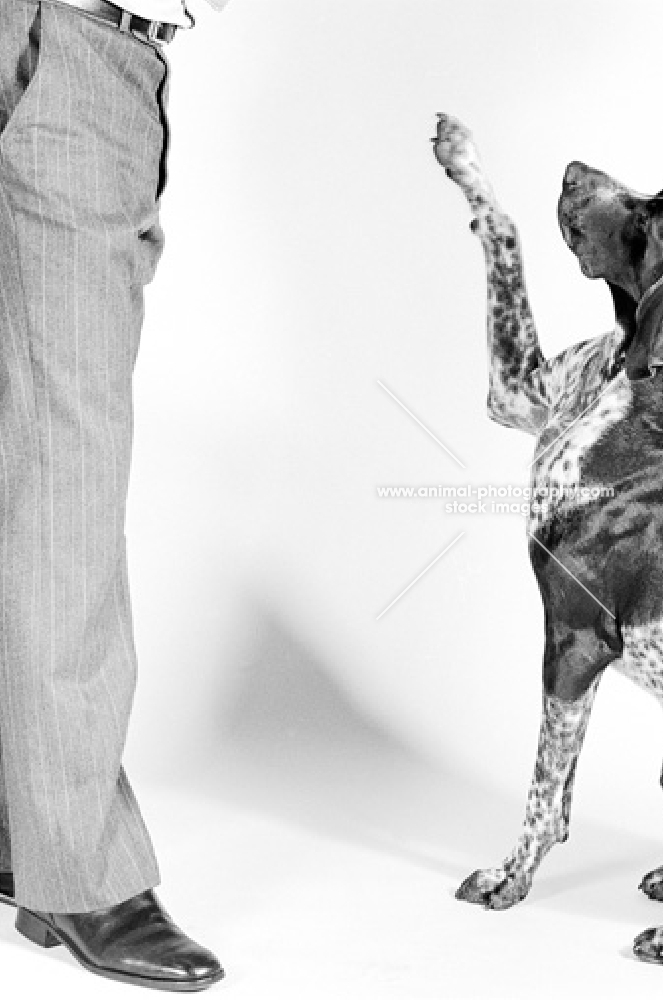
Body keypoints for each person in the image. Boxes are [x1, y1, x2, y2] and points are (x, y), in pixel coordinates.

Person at [0, 0, 228, 990]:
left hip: (70, 37)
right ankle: (61, 856)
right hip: (73, 42)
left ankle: (40, 832)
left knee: (55, 454)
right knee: (64, 459)